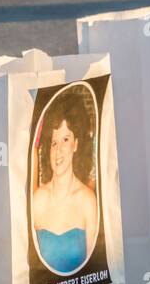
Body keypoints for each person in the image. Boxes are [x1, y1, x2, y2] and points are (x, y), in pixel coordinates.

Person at [31, 94, 99, 274]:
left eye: (65, 140)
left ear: (76, 144)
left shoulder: (87, 201)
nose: (58, 149)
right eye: (54, 142)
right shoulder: (38, 200)